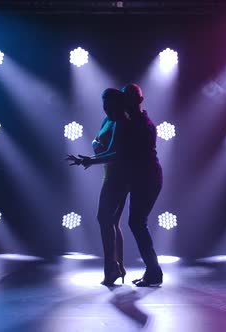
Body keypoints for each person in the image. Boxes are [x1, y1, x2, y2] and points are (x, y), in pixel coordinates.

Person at [67, 84, 163, 287]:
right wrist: (96, 152)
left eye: (131, 98)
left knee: (133, 223)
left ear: (138, 100)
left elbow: (118, 154)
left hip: (145, 177)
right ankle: (143, 270)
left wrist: (91, 160)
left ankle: (147, 271)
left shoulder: (136, 124)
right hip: (136, 177)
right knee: (128, 222)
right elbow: (108, 147)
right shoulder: (125, 121)